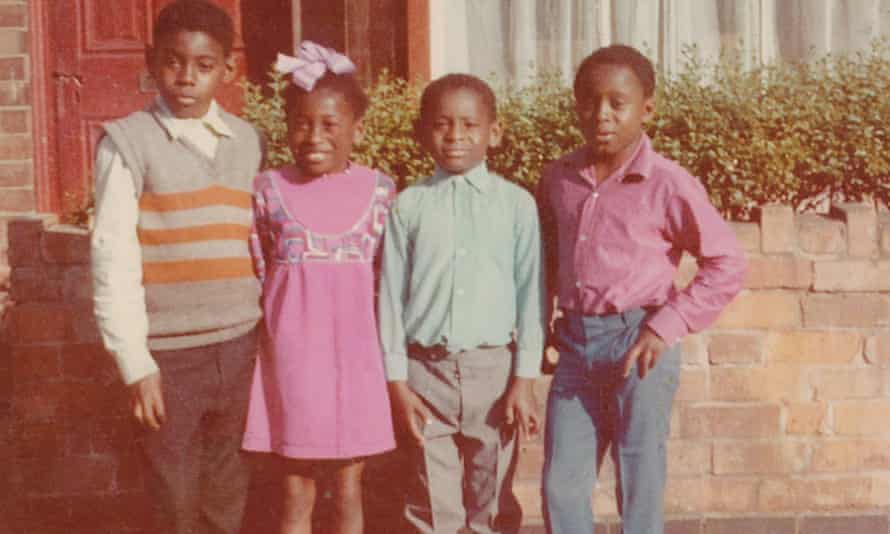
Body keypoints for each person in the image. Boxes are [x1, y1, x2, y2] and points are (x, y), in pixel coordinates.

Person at [538, 44, 747, 534]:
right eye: (589, 102)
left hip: (640, 342)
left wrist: (666, 325)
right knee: (560, 485)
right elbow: (548, 258)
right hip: (575, 345)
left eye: (618, 102)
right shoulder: (558, 178)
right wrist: (543, 323)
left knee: (639, 477)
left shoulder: (667, 183)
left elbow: (727, 261)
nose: (602, 115)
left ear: (647, 109)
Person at [89, 1, 263, 532]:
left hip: (239, 346)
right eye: (173, 61)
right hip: (169, 356)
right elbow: (112, 256)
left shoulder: (246, 141)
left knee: (228, 494)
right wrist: (136, 364)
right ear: (151, 60)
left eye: (204, 65)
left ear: (228, 69)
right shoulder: (128, 143)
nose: (187, 77)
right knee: (174, 500)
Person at [378, 73, 545, 534]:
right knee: (431, 503)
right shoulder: (408, 206)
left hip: (492, 374)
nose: (455, 136)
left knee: (490, 500)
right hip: (423, 375)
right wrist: (397, 382)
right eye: (442, 124)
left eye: (469, 125)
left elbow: (532, 294)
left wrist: (524, 380)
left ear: (495, 132)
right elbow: (390, 299)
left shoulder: (516, 205)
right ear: (421, 132)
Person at [240, 41, 396, 534]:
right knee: (295, 485)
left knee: (351, 484)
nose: (314, 136)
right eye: (302, 122)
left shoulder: (380, 191)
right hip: (292, 360)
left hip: (355, 360)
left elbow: (385, 279)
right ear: (287, 126)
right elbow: (260, 266)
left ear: (357, 129)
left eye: (330, 124)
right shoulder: (268, 189)